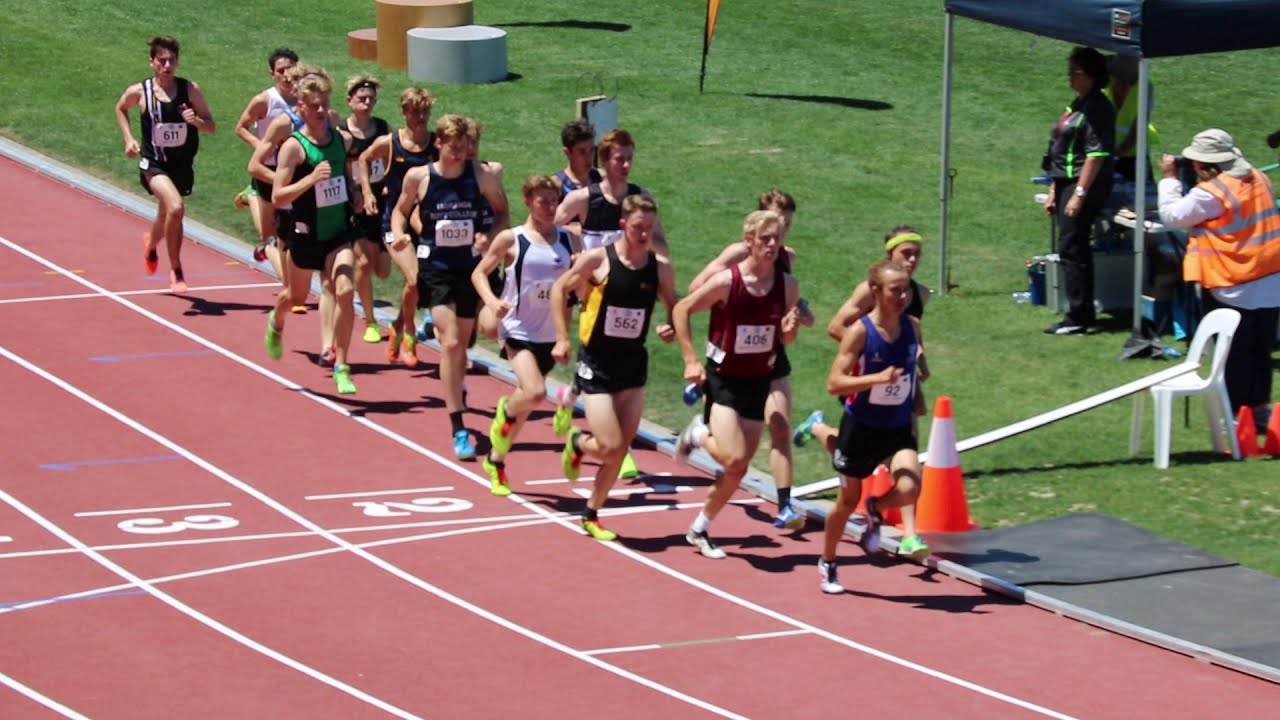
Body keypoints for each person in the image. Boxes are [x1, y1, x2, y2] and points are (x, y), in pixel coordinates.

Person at [550, 195, 678, 541]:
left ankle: (591, 514)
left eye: (649, 228)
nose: (644, 234)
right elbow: (560, 290)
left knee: (620, 451)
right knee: (609, 446)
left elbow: (674, 305)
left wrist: (670, 326)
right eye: (638, 227)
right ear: (623, 225)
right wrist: (561, 338)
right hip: (597, 364)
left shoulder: (659, 268)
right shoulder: (598, 260)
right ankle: (578, 442)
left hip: (633, 365)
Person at [673, 210, 799, 558]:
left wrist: (789, 332)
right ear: (749, 241)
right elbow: (682, 310)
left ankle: (700, 528)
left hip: (758, 381)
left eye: (777, 239)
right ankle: (699, 434)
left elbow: (784, 338)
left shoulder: (787, 286)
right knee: (733, 457)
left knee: (738, 468)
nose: (772, 245)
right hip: (724, 380)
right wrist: (690, 359)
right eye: (765, 239)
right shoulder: (728, 282)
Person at [391, 114, 509, 459]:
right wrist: (399, 234)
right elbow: (399, 211)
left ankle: (456, 385)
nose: (459, 153)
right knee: (452, 342)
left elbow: (502, 212)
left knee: (463, 346)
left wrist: (490, 235)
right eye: (453, 147)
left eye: (464, 146)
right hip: (436, 268)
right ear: (438, 144)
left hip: (470, 270)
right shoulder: (420, 177)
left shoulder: (481, 175)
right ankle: (458, 427)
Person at [554, 128, 667, 479]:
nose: (626, 165)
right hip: (592, 290)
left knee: (613, 357)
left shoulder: (640, 199)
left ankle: (574, 394)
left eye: (630, 158)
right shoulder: (583, 199)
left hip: (628, 291)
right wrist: (576, 243)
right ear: (604, 161)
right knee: (600, 352)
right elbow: (550, 230)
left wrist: (653, 256)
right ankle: (615, 445)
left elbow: (661, 244)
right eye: (619, 159)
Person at [1158, 129, 1280, 433]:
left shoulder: (1210, 193)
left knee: (1234, 354)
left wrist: (1170, 180)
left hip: (1233, 282)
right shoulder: (1258, 177)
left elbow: (1172, 216)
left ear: (1202, 164)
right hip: (1270, 278)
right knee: (1260, 351)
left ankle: (1237, 415)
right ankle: (1259, 410)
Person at [816, 260, 927, 594]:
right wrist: (877, 379)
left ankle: (876, 508)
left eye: (906, 290)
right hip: (861, 428)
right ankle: (828, 561)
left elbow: (908, 371)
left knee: (910, 487)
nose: (903, 297)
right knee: (846, 502)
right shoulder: (860, 332)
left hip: (897, 427)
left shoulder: (912, 326)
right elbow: (834, 383)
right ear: (876, 291)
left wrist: (918, 396)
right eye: (895, 291)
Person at [472, 175, 580, 496]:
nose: (549, 207)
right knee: (534, 392)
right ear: (528, 202)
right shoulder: (512, 239)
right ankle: (504, 410)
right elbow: (479, 273)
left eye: (554, 201)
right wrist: (492, 302)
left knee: (526, 406)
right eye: (542, 201)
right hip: (517, 328)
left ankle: (495, 461)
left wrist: (566, 332)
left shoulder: (569, 240)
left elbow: (574, 286)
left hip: (549, 333)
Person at [263, 70, 360, 395]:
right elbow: (278, 196)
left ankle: (341, 365)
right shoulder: (293, 147)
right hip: (305, 234)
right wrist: (310, 179)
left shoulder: (340, 140)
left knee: (345, 290)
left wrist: (356, 193)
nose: (321, 111)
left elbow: (346, 175)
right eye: (314, 105)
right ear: (301, 107)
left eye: (325, 104)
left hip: (339, 232)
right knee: (296, 297)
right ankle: (277, 319)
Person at [113, 35, 216, 294]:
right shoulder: (140, 92)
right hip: (153, 163)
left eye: (172, 61)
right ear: (152, 62)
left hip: (182, 165)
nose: (167, 66)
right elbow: (120, 108)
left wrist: (195, 121)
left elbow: (211, 126)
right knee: (176, 208)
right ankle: (176, 270)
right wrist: (129, 139)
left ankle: (150, 245)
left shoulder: (189, 90)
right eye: (162, 61)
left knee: (165, 214)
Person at [359, 86, 438, 367]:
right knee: (414, 280)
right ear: (404, 112)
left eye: (425, 111)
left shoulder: (436, 144)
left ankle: (396, 325)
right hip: (394, 222)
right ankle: (409, 334)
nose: (420, 117)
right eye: (415, 111)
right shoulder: (390, 143)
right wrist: (367, 192)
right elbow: (364, 159)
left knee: (414, 285)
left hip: (425, 225)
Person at [1040, 46, 1115, 336]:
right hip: (1066, 182)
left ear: (1092, 75)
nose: (1070, 75)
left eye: (1076, 71)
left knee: (1073, 247)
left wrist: (1079, 194)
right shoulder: (1079, 103)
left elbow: (1095, 156)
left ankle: (1079, 316)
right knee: (1070, 246)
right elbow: (1062, 151)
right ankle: (1079, 312)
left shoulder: (1097, 108)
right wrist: (1054, 189)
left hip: (1082, 184)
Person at [232, 48, 298, 275]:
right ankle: (252, 196)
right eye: (281, 71)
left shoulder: (306, 99)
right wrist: (260, 146)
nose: (286, 75)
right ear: (273, 74)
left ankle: (290, 280)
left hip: (295, 169)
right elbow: (241, 127)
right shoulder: (265, 100)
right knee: (270, 234)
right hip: (268, 168)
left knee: (289, 228)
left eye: (291, 69)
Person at [342, 75, 392, 345]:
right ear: (349, 100)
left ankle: (362, 286)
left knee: (382, 270)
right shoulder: (342, 133)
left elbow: (392, 159)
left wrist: (388, 185)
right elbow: (337, 166)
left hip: (381, 202)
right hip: (353, 204)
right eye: (361, 98)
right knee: (362, 263)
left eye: (371, 98)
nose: (367, 102)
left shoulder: (382, 129)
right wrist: (354, 192)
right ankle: (370, 321)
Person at [1103, 54, 1159, 185]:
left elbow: (1138, 128)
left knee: (1140, 191)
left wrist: (1116, 154)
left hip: (1134, 153)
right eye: (1118, 79)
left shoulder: (1145, 87)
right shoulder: (1102, 86)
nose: (1123, 86)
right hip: (1103, 150)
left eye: (1129, 81)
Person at [553, 118, 602, 200]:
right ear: (567, 152)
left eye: (591, 150)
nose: (588, 157)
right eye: (582, 152)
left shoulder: (602, 178)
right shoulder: (556, 186)